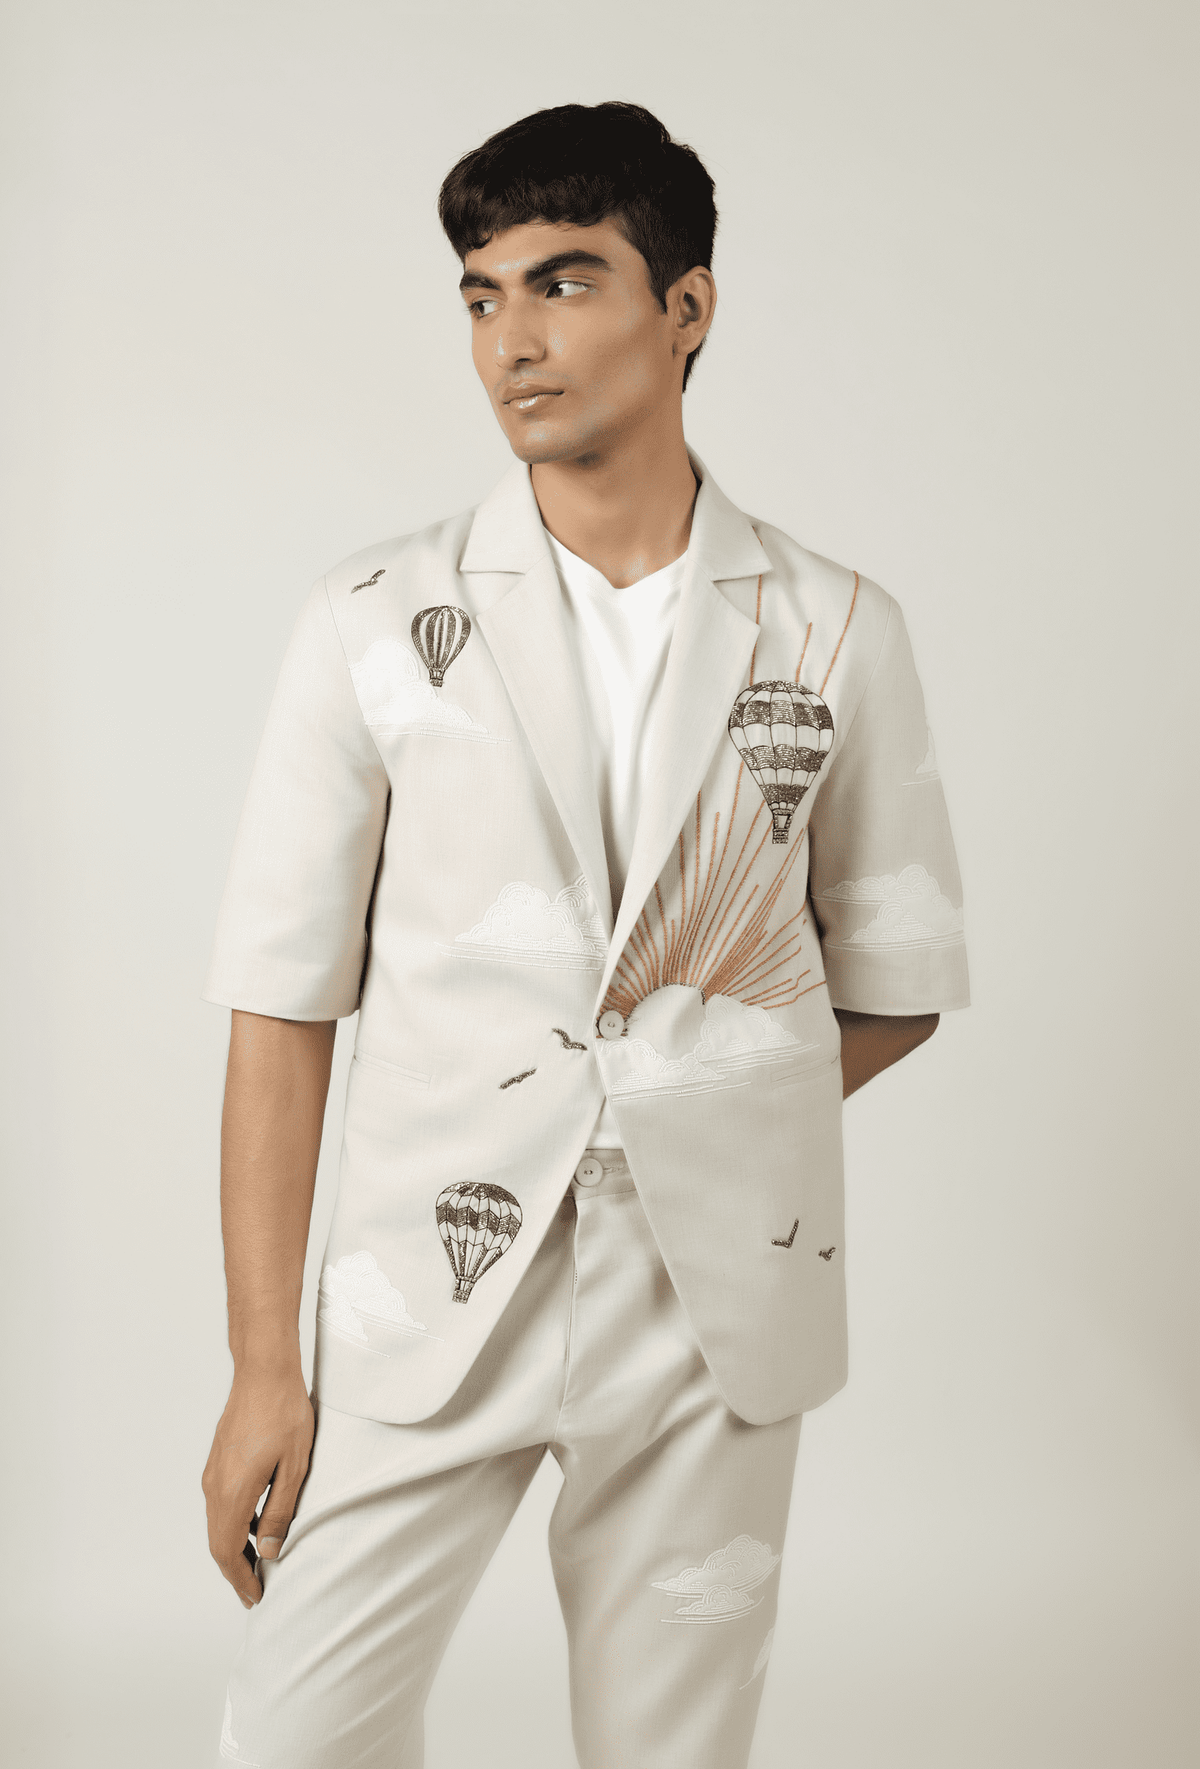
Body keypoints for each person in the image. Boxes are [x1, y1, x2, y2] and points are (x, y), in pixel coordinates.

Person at [201, 100, 969, 1769]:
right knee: (295, 1736)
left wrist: (683, 1114)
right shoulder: (371, 622)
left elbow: (896, 982)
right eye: (481, 296)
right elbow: (280, 1004)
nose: (512, 341)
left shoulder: (837, 629)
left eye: (563, 282)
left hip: (708, 1313)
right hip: (421, 1294)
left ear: (685, 309)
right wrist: (267, 1367)